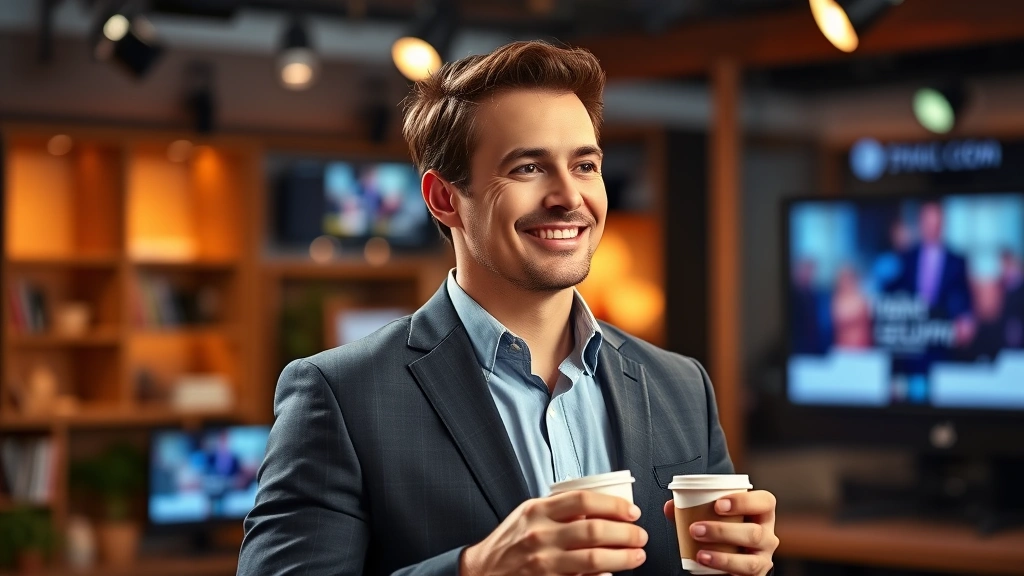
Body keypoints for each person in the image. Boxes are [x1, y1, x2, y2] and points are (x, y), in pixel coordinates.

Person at [237, 41, 779, 576]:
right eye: (527, 169)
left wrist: (749, 561)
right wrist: (476, 570)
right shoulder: (340, 396)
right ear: (444, 198)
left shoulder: (681, 386)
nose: (569, 196)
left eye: (585, 165)